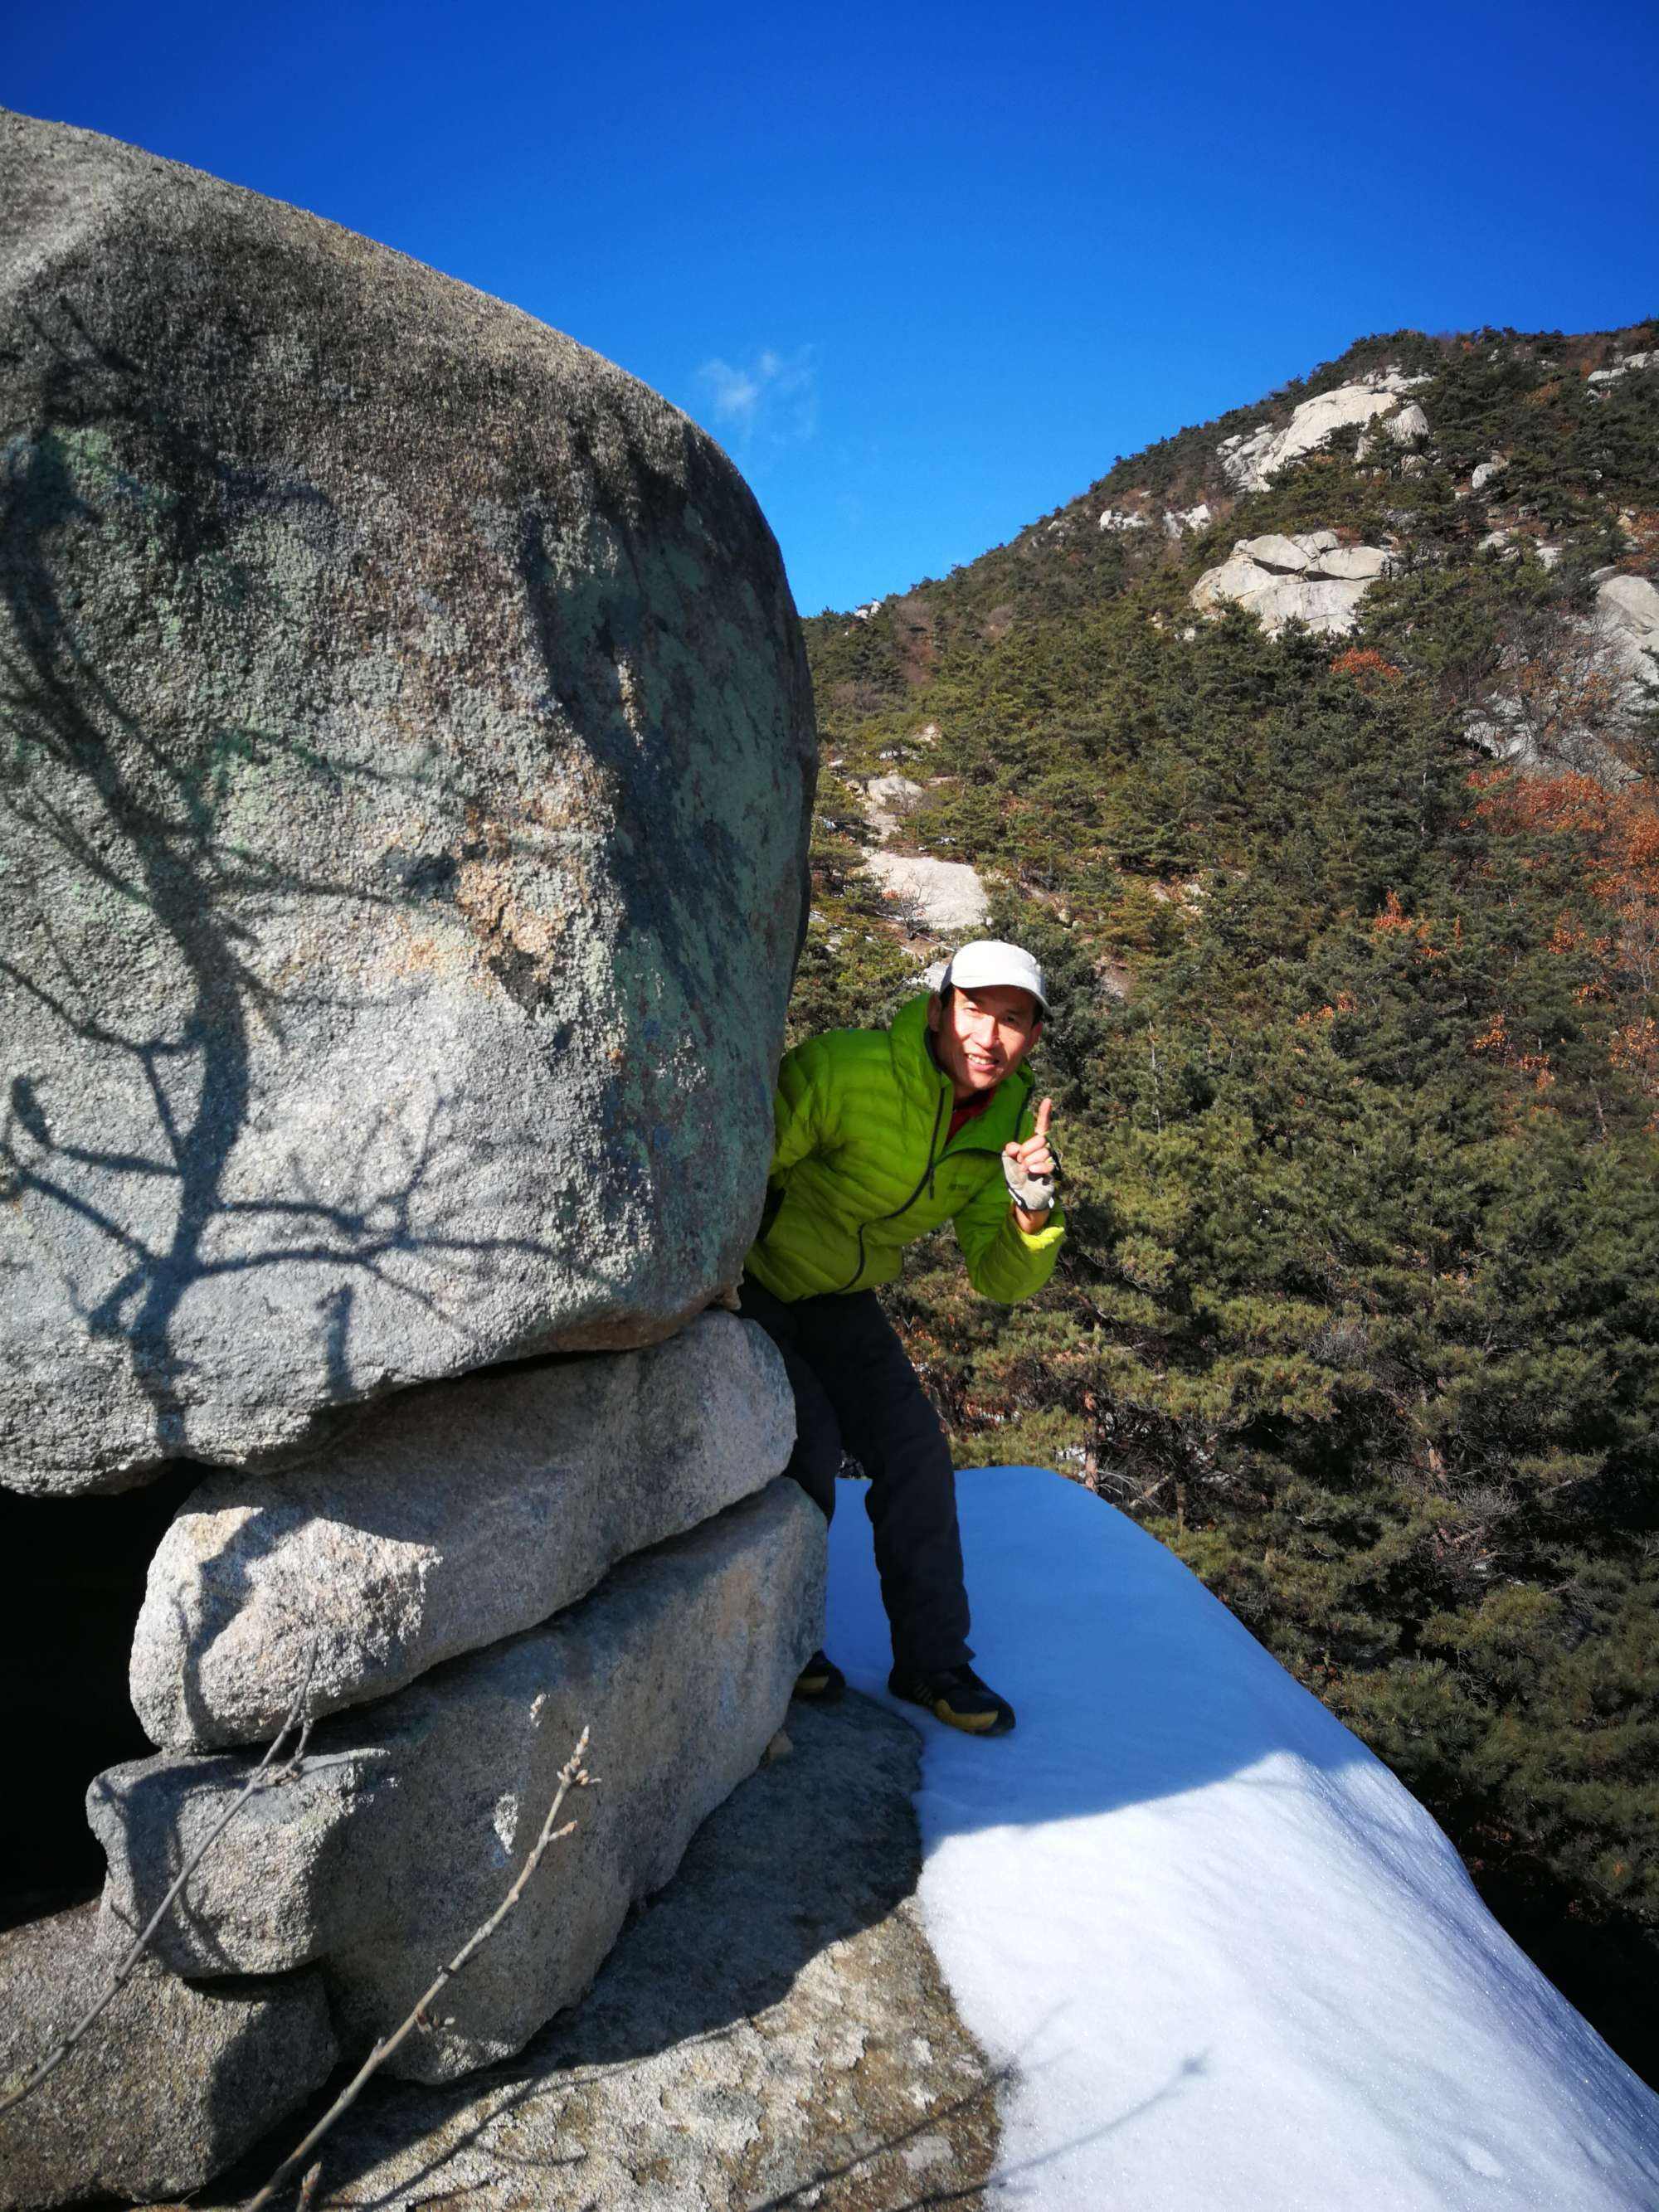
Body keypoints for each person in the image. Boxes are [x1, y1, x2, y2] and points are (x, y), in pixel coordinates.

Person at [737, 939, 1063, 1737]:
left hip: (842, 1296)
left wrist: (1030, 1209)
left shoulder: (1010, 1128)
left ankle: (933, 1661)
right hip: (757, 1280)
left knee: (915, 1448)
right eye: (974, 1010)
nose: (988, 1036)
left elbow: (997, 1274)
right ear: (939, 1008)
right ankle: (785, 1644)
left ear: (1033, 1037)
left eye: (1012, 1020)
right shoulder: (846, 1070)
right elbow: (745, 1163)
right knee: (806, 1435)